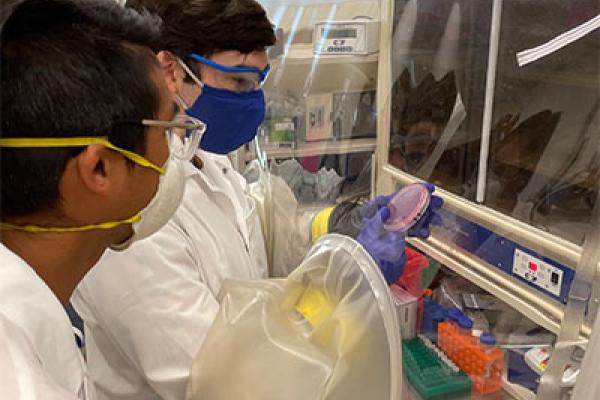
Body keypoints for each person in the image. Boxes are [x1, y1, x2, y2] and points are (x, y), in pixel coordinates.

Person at [72, 1, 442, 399]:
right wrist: (346, 285)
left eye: (259, 82)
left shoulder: (206, 156)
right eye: (240, 82)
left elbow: (263, 238)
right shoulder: (133, 209)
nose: (254, 100)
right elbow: (223, 376)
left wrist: (342, 226)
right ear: (171, 70)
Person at [0, 0, 202, 397]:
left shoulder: (32, 322)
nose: (175, 154)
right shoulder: (18, 380)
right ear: (99, 169)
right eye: (165, 131)